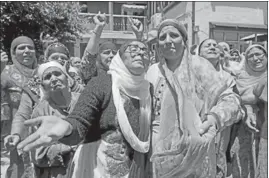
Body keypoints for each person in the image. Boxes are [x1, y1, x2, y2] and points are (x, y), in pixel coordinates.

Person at [18, 40, 152, 178]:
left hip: (136, 167)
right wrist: (68, 127)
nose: (140, 53)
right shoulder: (101, 84)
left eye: (145, 50)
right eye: (133, 49)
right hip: (97, 168)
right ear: (120, 58)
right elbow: (80, 120)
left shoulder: (149, 91)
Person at [146, 19, 243, 177]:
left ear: (184, 41)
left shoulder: (200, 67)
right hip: (159, 152)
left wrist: (213, 119)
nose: (168, 40)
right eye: (162, 37)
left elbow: (231, 100)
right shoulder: (152, 71)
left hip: (195, 149)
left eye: (174, 35)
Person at [196, 38, 244, 178]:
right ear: (199, 53)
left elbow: (233, 102)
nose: (212, 47)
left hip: (219, 130)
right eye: (207, 45)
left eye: (215, 45)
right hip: (191, 132)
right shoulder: (186, 74)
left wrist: (215, 118)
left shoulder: (228, 78)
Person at [29, 61, 80, 178]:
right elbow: (37, 152)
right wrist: (66, 147)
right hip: (58, 172)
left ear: (67, 78)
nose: (54, 79)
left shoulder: (84, 101)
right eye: (47, 77)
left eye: (57, 74)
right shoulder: (40, 112)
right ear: (43, 86)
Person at [1, 36, 39, 178]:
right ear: (13, 52)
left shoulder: (42, 72)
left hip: (40, 129)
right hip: (15, 129)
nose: (27, 51)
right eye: (21, 48)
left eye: (30, 47)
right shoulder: (6, 72)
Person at [230, 44, 267, 178]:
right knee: (249, 162)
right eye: (250, 56)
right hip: (250, 128)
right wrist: (250, 109)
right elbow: (242, 99)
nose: (255, 58)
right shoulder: (241, 77)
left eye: (259, 54)